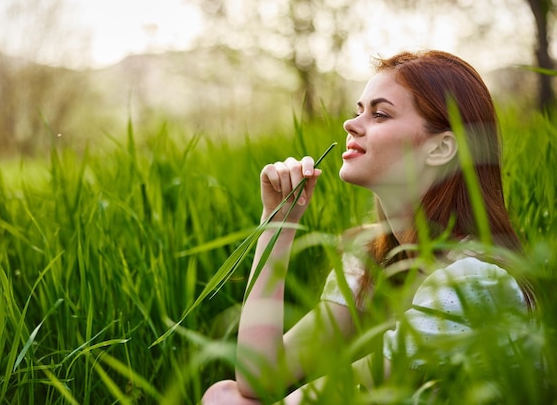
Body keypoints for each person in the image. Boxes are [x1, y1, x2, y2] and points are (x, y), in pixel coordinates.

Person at [201, 50, 533, 404]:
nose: (351, 124)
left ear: (441, 148)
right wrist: (278, 225)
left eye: (380, 113)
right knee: (226, 394)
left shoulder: (470, 283)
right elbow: (258, 376)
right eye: (359, 110)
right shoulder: (371, 261)